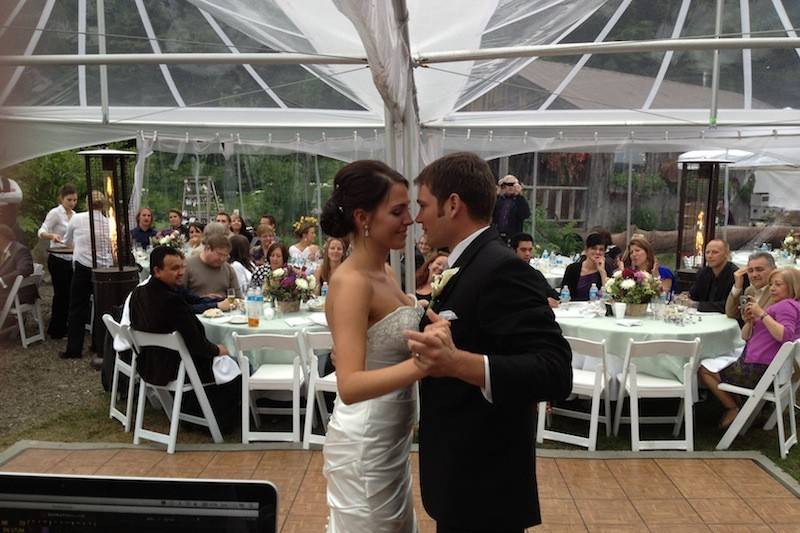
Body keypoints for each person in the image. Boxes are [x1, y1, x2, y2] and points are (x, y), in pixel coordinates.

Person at [407, 152, 572, 532]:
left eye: (423, 205)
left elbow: (555, 369)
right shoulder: (466, 263)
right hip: (462, 481)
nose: (418, 218)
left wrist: (457, 363)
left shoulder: (501, 267)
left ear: (452, 205)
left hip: (486, 490)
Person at [319, 159, 427, 531]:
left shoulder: (384, 270)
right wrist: (422, 365)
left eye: (410, 209)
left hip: (390, 442)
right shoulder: (351, 283)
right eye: (398, 211)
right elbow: (349, 385)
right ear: (363, 217)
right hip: (366, 442)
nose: (410, 220)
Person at [129, 246, 240, 432]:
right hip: (177, 367)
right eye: (174, 269)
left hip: (149, 363)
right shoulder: (171, 301)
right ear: (157, 271)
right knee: (240, 362)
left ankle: (193, 414)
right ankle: (224, 420)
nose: (181, 273)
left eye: (182, 267)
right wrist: (220, 349)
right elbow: (198, 344)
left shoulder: (139, 293)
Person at [699, 268, 800, 429]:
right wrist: (750, 321)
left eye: (778, 284)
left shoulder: (786, 306)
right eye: (771, 284)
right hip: (766, 369)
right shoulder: (786, 306)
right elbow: (745, 337)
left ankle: (732, 408)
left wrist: (761, 313)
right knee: (720, 360)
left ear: (792, 286)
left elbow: (785, 335)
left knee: (703, 368)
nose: (772, 288)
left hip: (755, 370)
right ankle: (744, 409)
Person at [61, 191, 113, 359]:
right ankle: (99, 346)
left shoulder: (77, 219)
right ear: (103, 205)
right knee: (101, 307)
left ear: (87, 203)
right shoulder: (108, 223)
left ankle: (74, 349)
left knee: (77, 308)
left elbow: (67, 241)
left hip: (83, 267)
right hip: (103, 270)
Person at [38, 184, 77, 339]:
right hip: (57, 258)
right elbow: (41, 231)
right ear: (62, 199)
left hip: (71, 258)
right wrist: (52, 236)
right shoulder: (55, 213)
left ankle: (66, 325)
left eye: (74, 200)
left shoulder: (75, 215)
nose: (72, 203)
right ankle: (56, 330)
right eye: (69, 200)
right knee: (61, 294)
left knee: (70, 293)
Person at [183, 233, 240, 300]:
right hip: (197, 308)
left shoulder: (228, 269)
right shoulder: (187, 265)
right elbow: (180, 296)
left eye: (225, 256)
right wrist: (202, 299)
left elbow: (237, 297)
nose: (222, 259)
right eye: (219, 254)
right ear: (207, 248)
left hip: (224, 307)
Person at [510, 232, 560, 307]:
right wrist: (543, 301)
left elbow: (553, 294)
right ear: (513, 251)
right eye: (523, 250)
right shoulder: (507, 274)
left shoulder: (535, 274)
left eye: (530, 250)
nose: (527, 253)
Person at [725, 251, 776, 323]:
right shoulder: (749, 291)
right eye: (750, 271)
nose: (754, 274)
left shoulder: (777, 292)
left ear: (774, 270)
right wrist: (737, 286)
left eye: (759, 269)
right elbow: (732, 314)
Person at [688, 239, 737, 313]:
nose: (710, 256)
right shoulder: (703, 273)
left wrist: (697, 305)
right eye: (707, 252)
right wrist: (686, 296)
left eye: (715, 252)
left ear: (727, 254)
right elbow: (694, 295)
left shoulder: (735, 275)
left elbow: (730, 305)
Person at [562, 233, 613, 302]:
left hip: (597, 309)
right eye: (594, 248)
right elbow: (564, 295)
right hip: (575, 308)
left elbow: (609, 297)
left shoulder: (606, 269)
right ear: (586, 250)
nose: (597, 252)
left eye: (601, 249)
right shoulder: (572, 269)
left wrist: (602, 272)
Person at [0, 225, 35, 318]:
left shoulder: (20, 250)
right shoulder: (3, 250)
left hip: (18, 294)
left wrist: (2, 280)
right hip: (6, 291)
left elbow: (25, 269)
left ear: (2, 237)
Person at [491, 174, 531, 243]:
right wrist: (497, 194)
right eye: (508, 184)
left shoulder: (519, 200)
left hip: (513, 237)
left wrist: (519, 195)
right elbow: (490, 213)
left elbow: (525, 215)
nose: (510, 187)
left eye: (513, 185)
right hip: (496, 236)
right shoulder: (498, 200)